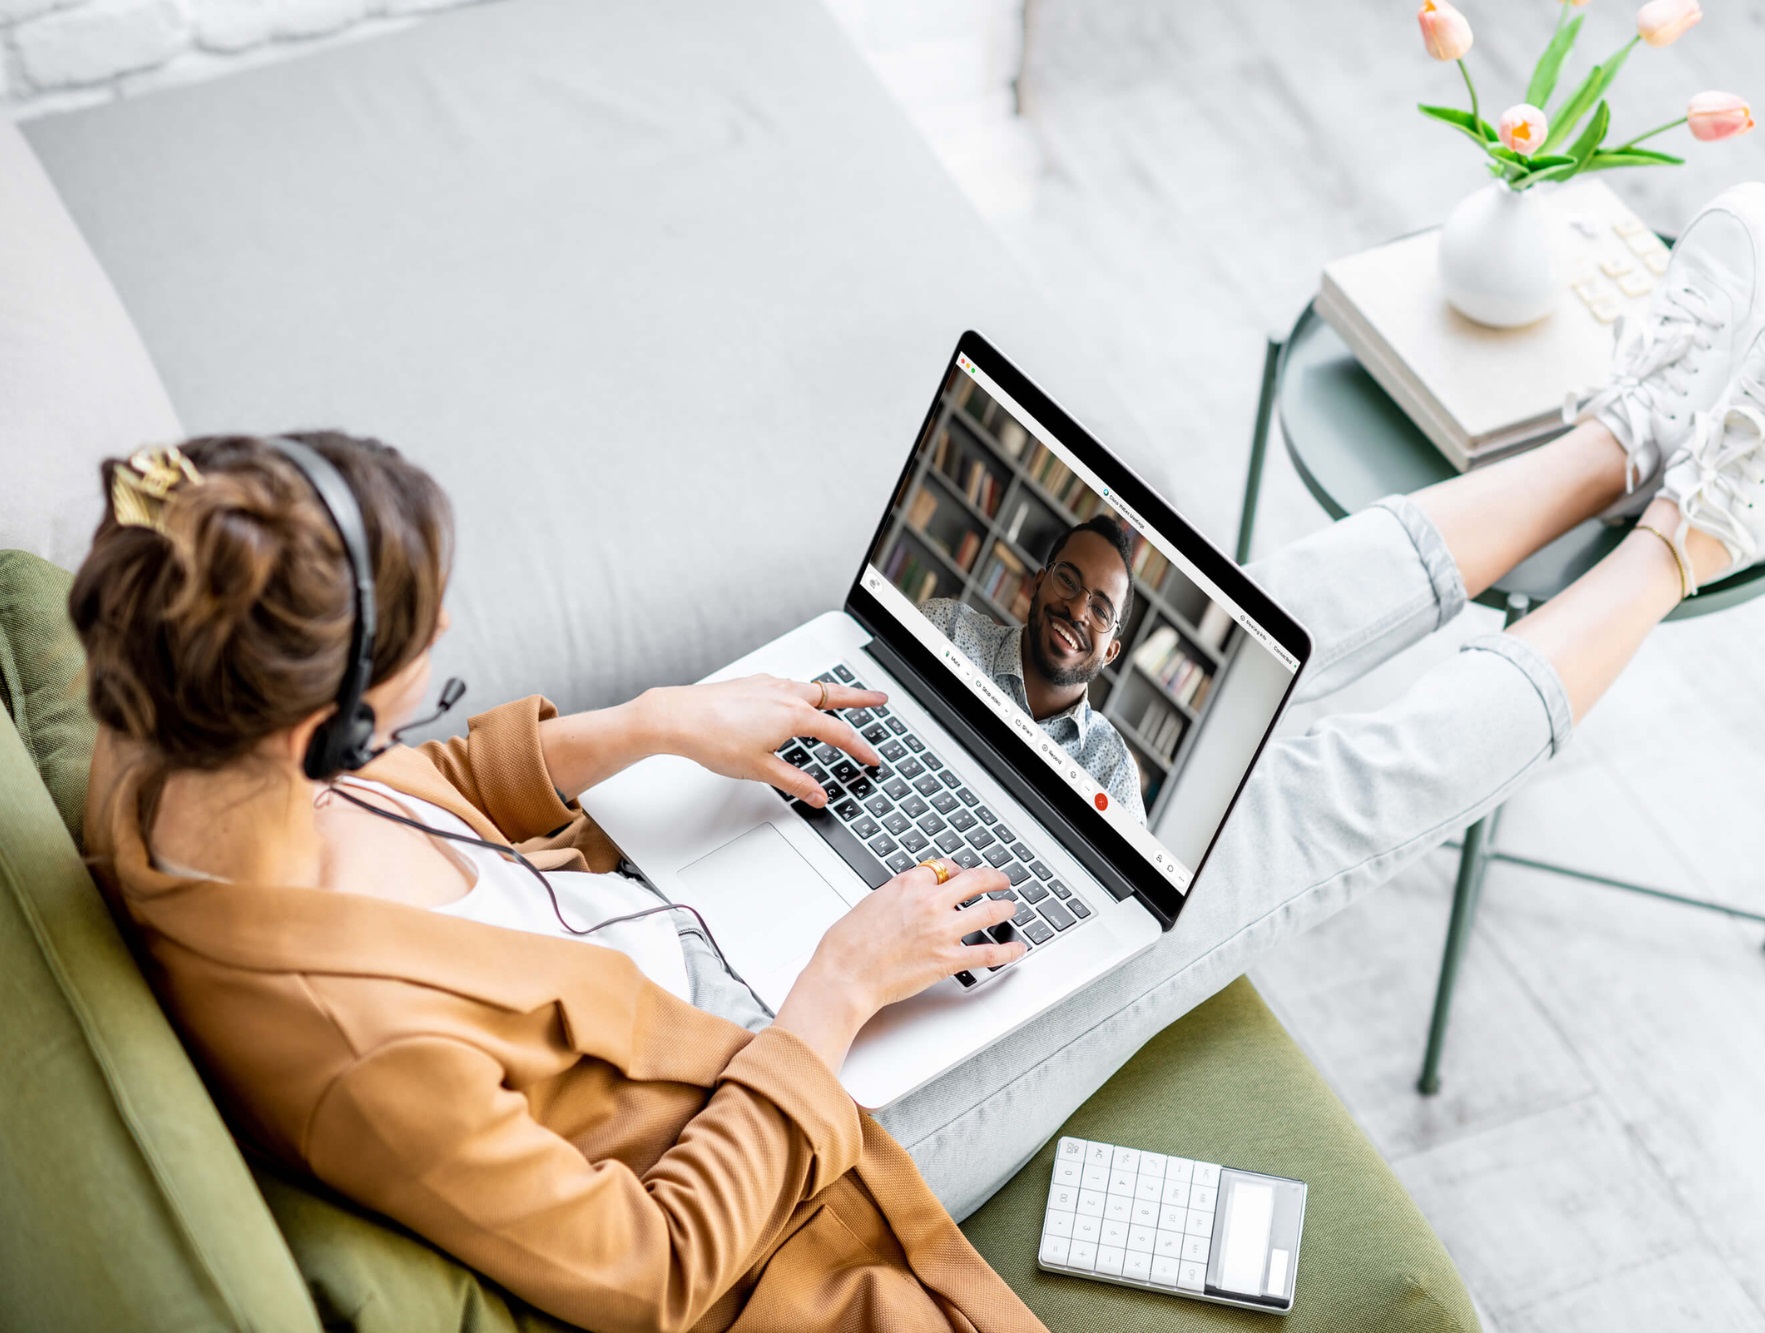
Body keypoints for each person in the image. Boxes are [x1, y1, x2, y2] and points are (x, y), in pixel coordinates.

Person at [76, 182, 1765, 1332]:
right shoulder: (361, 1051)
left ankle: (1616, 433)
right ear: (330, 713)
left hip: (673, 905)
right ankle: (1693, 527)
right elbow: (646, 1270)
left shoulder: (173, 749)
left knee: (1246, 622)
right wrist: (838, 985)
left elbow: (419, 806)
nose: (450, 667)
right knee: (1274, 816)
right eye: (429, 652)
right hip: (799, 1112)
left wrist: (644, 726)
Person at [922, 515, 1148, 824]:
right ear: (1038, 583)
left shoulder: (1113, 776)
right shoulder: (945, 629)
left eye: (1100, 610)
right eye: (1068, 580)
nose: (1078, 611)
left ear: (1110, 652)